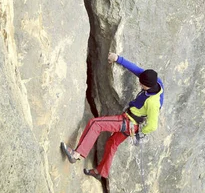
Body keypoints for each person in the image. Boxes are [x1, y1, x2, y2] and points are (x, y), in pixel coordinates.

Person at [61, 52, 164, 180]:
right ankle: (101, 172)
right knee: (112, 143)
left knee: (95, 124)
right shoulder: (156, 82)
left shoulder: (153, 102)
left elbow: (153, 125)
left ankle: (76, 154)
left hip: (128, 122)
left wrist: (140, 132)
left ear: (148, 86)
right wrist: (118, 59)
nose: (139, 85)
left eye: (142, 84)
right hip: (132, 124)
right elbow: (137, 70)